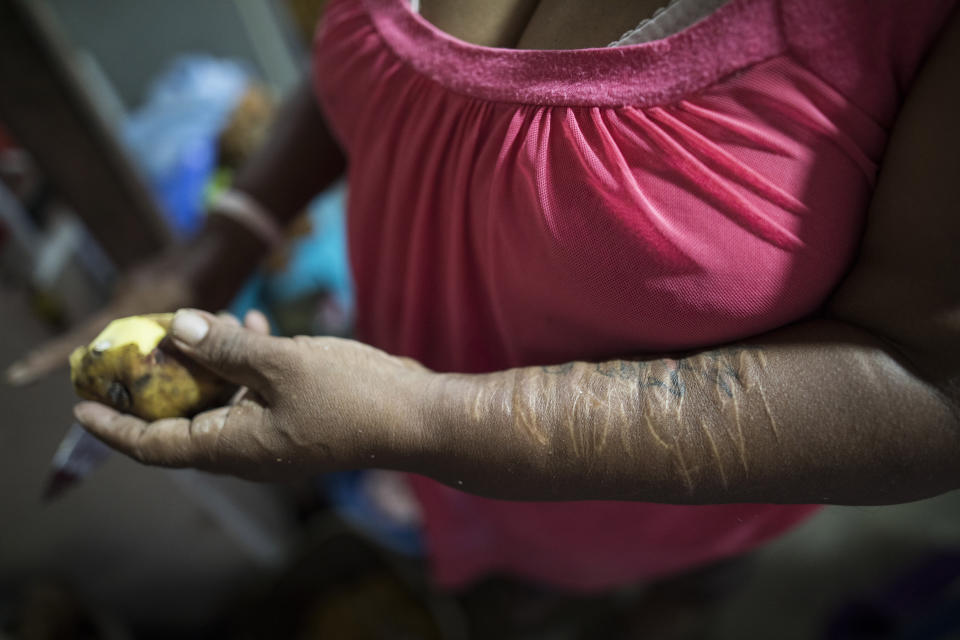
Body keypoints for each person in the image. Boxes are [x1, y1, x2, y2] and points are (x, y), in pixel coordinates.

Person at [8, 0, 960, 592]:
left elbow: (933, 390)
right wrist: (231, 233)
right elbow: (391, 69)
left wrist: (427, 418)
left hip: (626, 502)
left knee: (615, 586)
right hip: (399, 429)